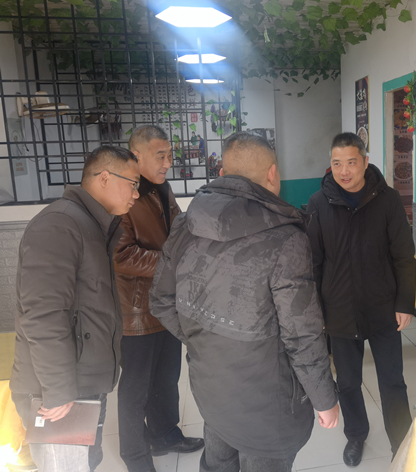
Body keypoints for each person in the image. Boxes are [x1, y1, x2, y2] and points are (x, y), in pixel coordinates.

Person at [149, 132, 339, 472]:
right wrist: (324, 399)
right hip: (267, 405)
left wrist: (203, 340)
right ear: (272, 174)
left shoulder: (186, 223)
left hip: (211, 387)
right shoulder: (287, 240)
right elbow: (301, 335)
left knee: (218, 461)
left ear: (222, 174)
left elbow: (161, 300)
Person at [10, 145, 140, 472]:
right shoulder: (60, 225)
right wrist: (58, 389)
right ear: (105, 178)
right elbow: (42, 316)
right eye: (133, 184)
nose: (136, 194)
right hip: (57, 391)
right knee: (66, 466)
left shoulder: (93, 225)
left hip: (82, 382)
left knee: (86, 460)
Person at [306, 132, 416, 466]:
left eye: (351, 162)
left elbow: (403, 255)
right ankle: (356, 435)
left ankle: (402, 442)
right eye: (337, 163)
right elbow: (313, 263)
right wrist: (316, 310)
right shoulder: (319, 203)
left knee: (393, 381)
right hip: (339, 310)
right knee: (348, 382)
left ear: (365, 162)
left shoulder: (388, 200)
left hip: (383, 307)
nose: (344, 171)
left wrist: (405, 303)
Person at [114, 126, 203, 472]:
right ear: (136, 156)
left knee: (167, 377)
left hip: (166, 303)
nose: (168, 163)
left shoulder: (161, 189)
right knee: (136, 387)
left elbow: (177, 233)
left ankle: (165, 435)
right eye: (161, 156)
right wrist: (172, 264)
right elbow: (121, 255)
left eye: (170, 155)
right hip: (136, 310)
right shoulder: (123, 195)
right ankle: (135, 456)